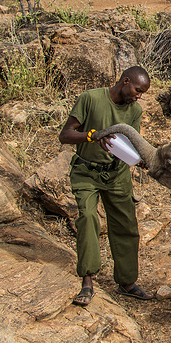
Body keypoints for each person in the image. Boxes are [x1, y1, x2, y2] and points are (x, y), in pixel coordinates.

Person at [59, 66, 153, 306]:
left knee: (126, 225)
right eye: (137, 90)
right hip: (86, 172)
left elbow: (130, 142)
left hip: (117, 175)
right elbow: (66, 134)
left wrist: (139, 159)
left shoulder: (135, 110)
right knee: (88, 218)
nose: (138, 96)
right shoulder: (90, 99)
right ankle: (88, 281)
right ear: (125, 81)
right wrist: (92, 136)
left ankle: (127, 282)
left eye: (142, 93)